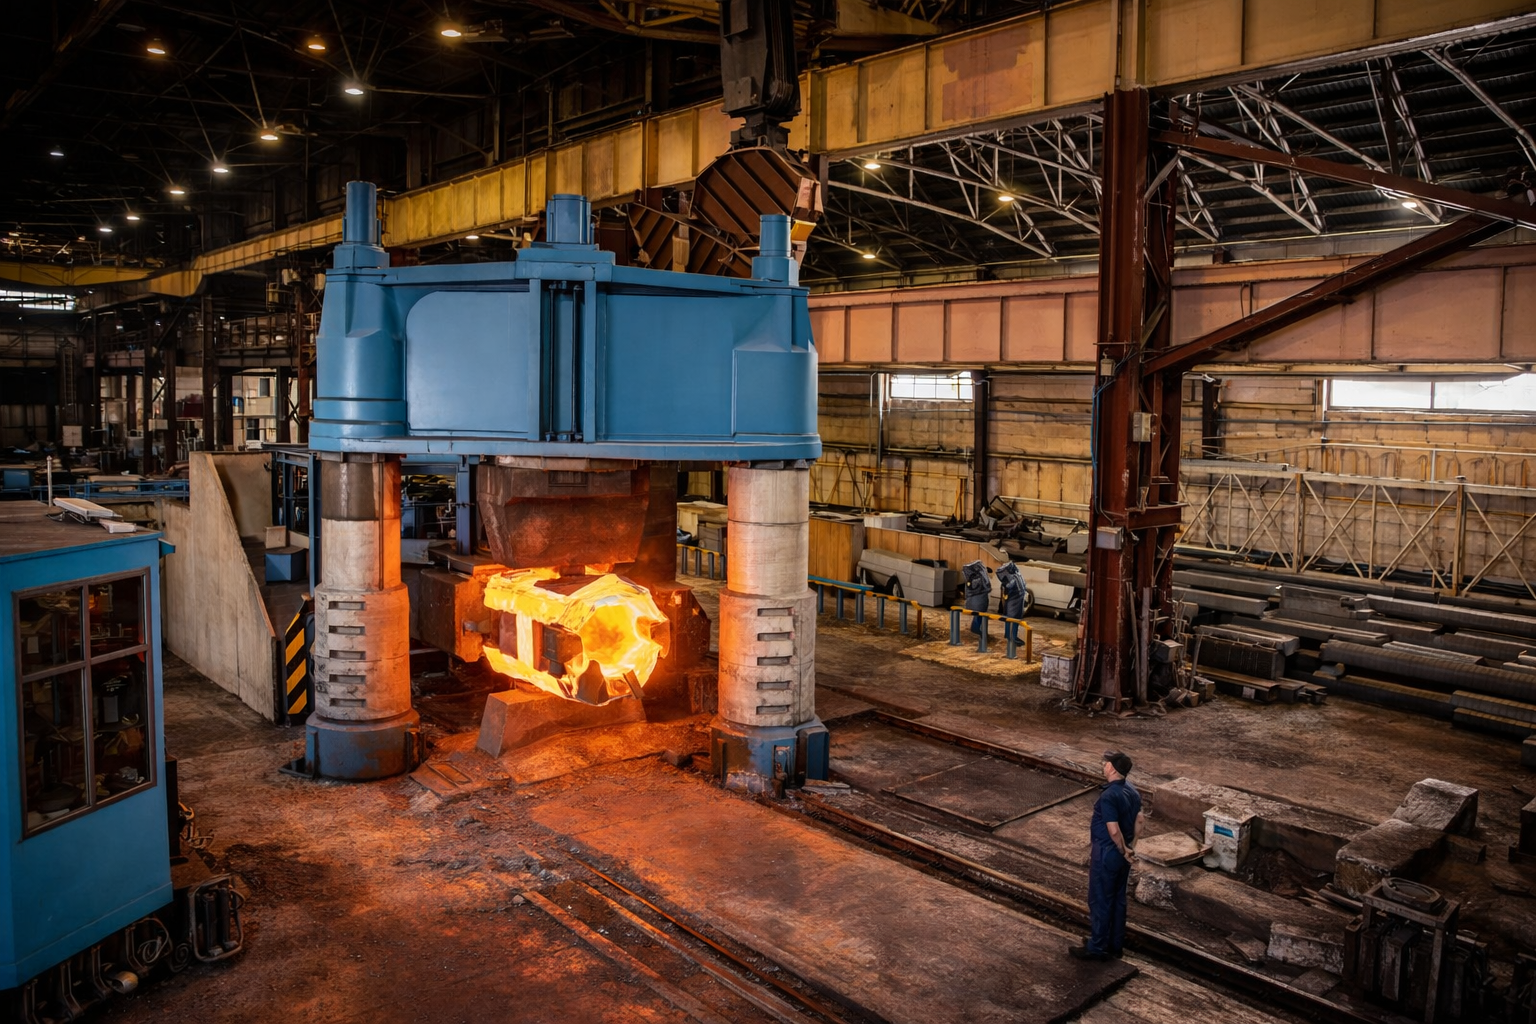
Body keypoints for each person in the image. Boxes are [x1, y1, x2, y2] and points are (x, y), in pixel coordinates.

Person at [1070, 750, 1143, 962]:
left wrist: (1122, 849)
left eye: (1106, 763)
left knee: (1100, 899)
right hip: (1122, 854)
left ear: (1111, 768)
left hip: (1107, 853)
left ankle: (1097, 947)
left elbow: (1113, 829)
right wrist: (1131, 848)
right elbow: (1140, 820)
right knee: (1118, 899)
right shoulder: (1132, 790)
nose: (1104, 765)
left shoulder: (1109, 796)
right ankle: (1114, 945)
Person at [997, 562, 1028, 645]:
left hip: (1015, 600)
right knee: (1013, 618)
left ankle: (1010, 635)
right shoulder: (1013, 578)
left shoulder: (1013, 577)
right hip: (1015, 601)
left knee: (1011, 618)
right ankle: (1012, 636)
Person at [961, 560, 991, 637]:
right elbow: (985, 587)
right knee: (979, 615)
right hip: (979, 600)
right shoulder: (977, 578)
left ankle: (976, 628)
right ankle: (976, 629)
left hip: (977, 600)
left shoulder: (972, 578)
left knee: (978, 615)